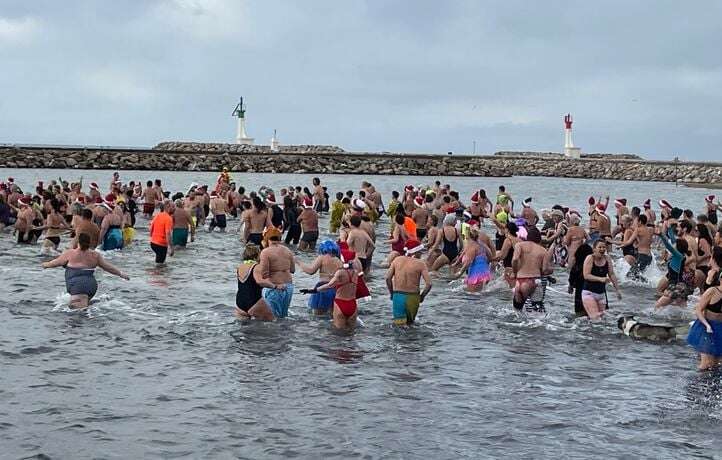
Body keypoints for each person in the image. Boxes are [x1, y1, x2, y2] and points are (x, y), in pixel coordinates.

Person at [41, 233, 129, 309]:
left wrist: (45, 264)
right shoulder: (95, 255)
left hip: (78, 285)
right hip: (91, 285)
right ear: (89, 243)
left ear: (78, 242)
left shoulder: (70, 253)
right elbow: (108, 267)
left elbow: (55, 263)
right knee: (84, 308)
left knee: (77, 315)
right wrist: (121, 274)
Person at [386, 240, 432, 326]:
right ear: (416, 251)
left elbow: (388, 278)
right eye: (420, 251)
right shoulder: (421, 264)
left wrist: (392, 293)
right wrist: (422, 297)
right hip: (413, 297)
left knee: (399, 326)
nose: (421, 253)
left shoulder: (397, 260)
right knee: (410, 325)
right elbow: (429, 284)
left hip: (398, 296)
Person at [312, 247, 360, 329]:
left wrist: (315, 290)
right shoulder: (356, 272)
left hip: (340, 303)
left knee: (338, 333)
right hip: (353, 304)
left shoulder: (340, 272)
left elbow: (330, 285)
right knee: (351, 332)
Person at [511, 226, 554, 311]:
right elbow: (545, 270)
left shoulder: (519, 245)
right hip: (534, 281)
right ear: (539, 239)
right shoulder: (543, 250)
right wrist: (551, 270)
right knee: (537, 311)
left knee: (517, 310)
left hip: (519, 281)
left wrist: (515, 272)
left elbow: (515, 259)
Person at [296, 240, 342, 315]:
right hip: (335, 288)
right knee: (332, 314)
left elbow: (311, 271)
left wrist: (299, 263)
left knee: (318, 314)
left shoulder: (322, 257)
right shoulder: (339, 261)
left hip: (322, 288)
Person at [234, 243, 276, 321]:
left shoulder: (240, 267)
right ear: (257, 255)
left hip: (240, 302)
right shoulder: (256, 266)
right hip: (254, 301)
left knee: (244, 329)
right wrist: (275, 286)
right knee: (272, 322)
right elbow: (260, 281)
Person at [581, 240, 621, 320]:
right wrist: (600, 279)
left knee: (603, 319)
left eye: (604, 247)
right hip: (589, 293)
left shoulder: (607, 258)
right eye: (600, 247)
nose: (602, 249)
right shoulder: (590, 258)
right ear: (594, 249)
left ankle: (585, 328)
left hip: (601, 295)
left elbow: (611, 274)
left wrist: (617, 290)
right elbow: (586, 275)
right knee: (596, 318)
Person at [258, 231, 295, 318]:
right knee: (283, 315)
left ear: (266, 239)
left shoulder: (265, 252)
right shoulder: (288, 251)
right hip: (288, 286)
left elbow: (264, 273)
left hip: (275, 287)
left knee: (273, 317)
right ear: (279, 238)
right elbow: (293, 270)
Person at [687, 280, 722, 370]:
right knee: (706, 364)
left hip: (720, 329)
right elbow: (698, 310)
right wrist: (706, 324)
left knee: (717, 364)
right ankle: (696, 382)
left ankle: (711, 383)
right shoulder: (712, 291)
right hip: (707, 328)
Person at [568, 244, 594, 316]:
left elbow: (572, 277)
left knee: (579, 314)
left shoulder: (576, 266)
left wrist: (570, 286)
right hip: (591, 291)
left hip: (579, 293)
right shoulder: (592, 266)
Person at [149, 199, 174, 264]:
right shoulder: (168, 218)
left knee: (158, 262)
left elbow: (151, 228)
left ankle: (153, 273)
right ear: (168, 206)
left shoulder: (158, 215)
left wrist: (152, 237)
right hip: (161, 244)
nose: (174, 209)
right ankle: (157, 273)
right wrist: (171, 247)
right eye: (173, 207)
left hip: (153, 243)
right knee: (160, 265)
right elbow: (168, 233)